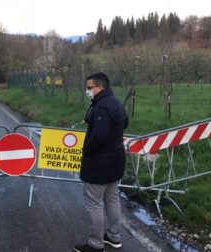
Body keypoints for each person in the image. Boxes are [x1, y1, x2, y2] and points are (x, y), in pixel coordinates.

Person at [74, 72, 129, 252]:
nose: (87, 91)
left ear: (100, 87)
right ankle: (114, 237)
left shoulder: (101, 108)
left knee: (94, 203)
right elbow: (125, 123)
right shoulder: (116, 102)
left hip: (99, 165)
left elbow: (98, 137)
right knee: (112, 199)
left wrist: (86, 151)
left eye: (90, 88)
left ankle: (95, 245)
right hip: (116, 161)